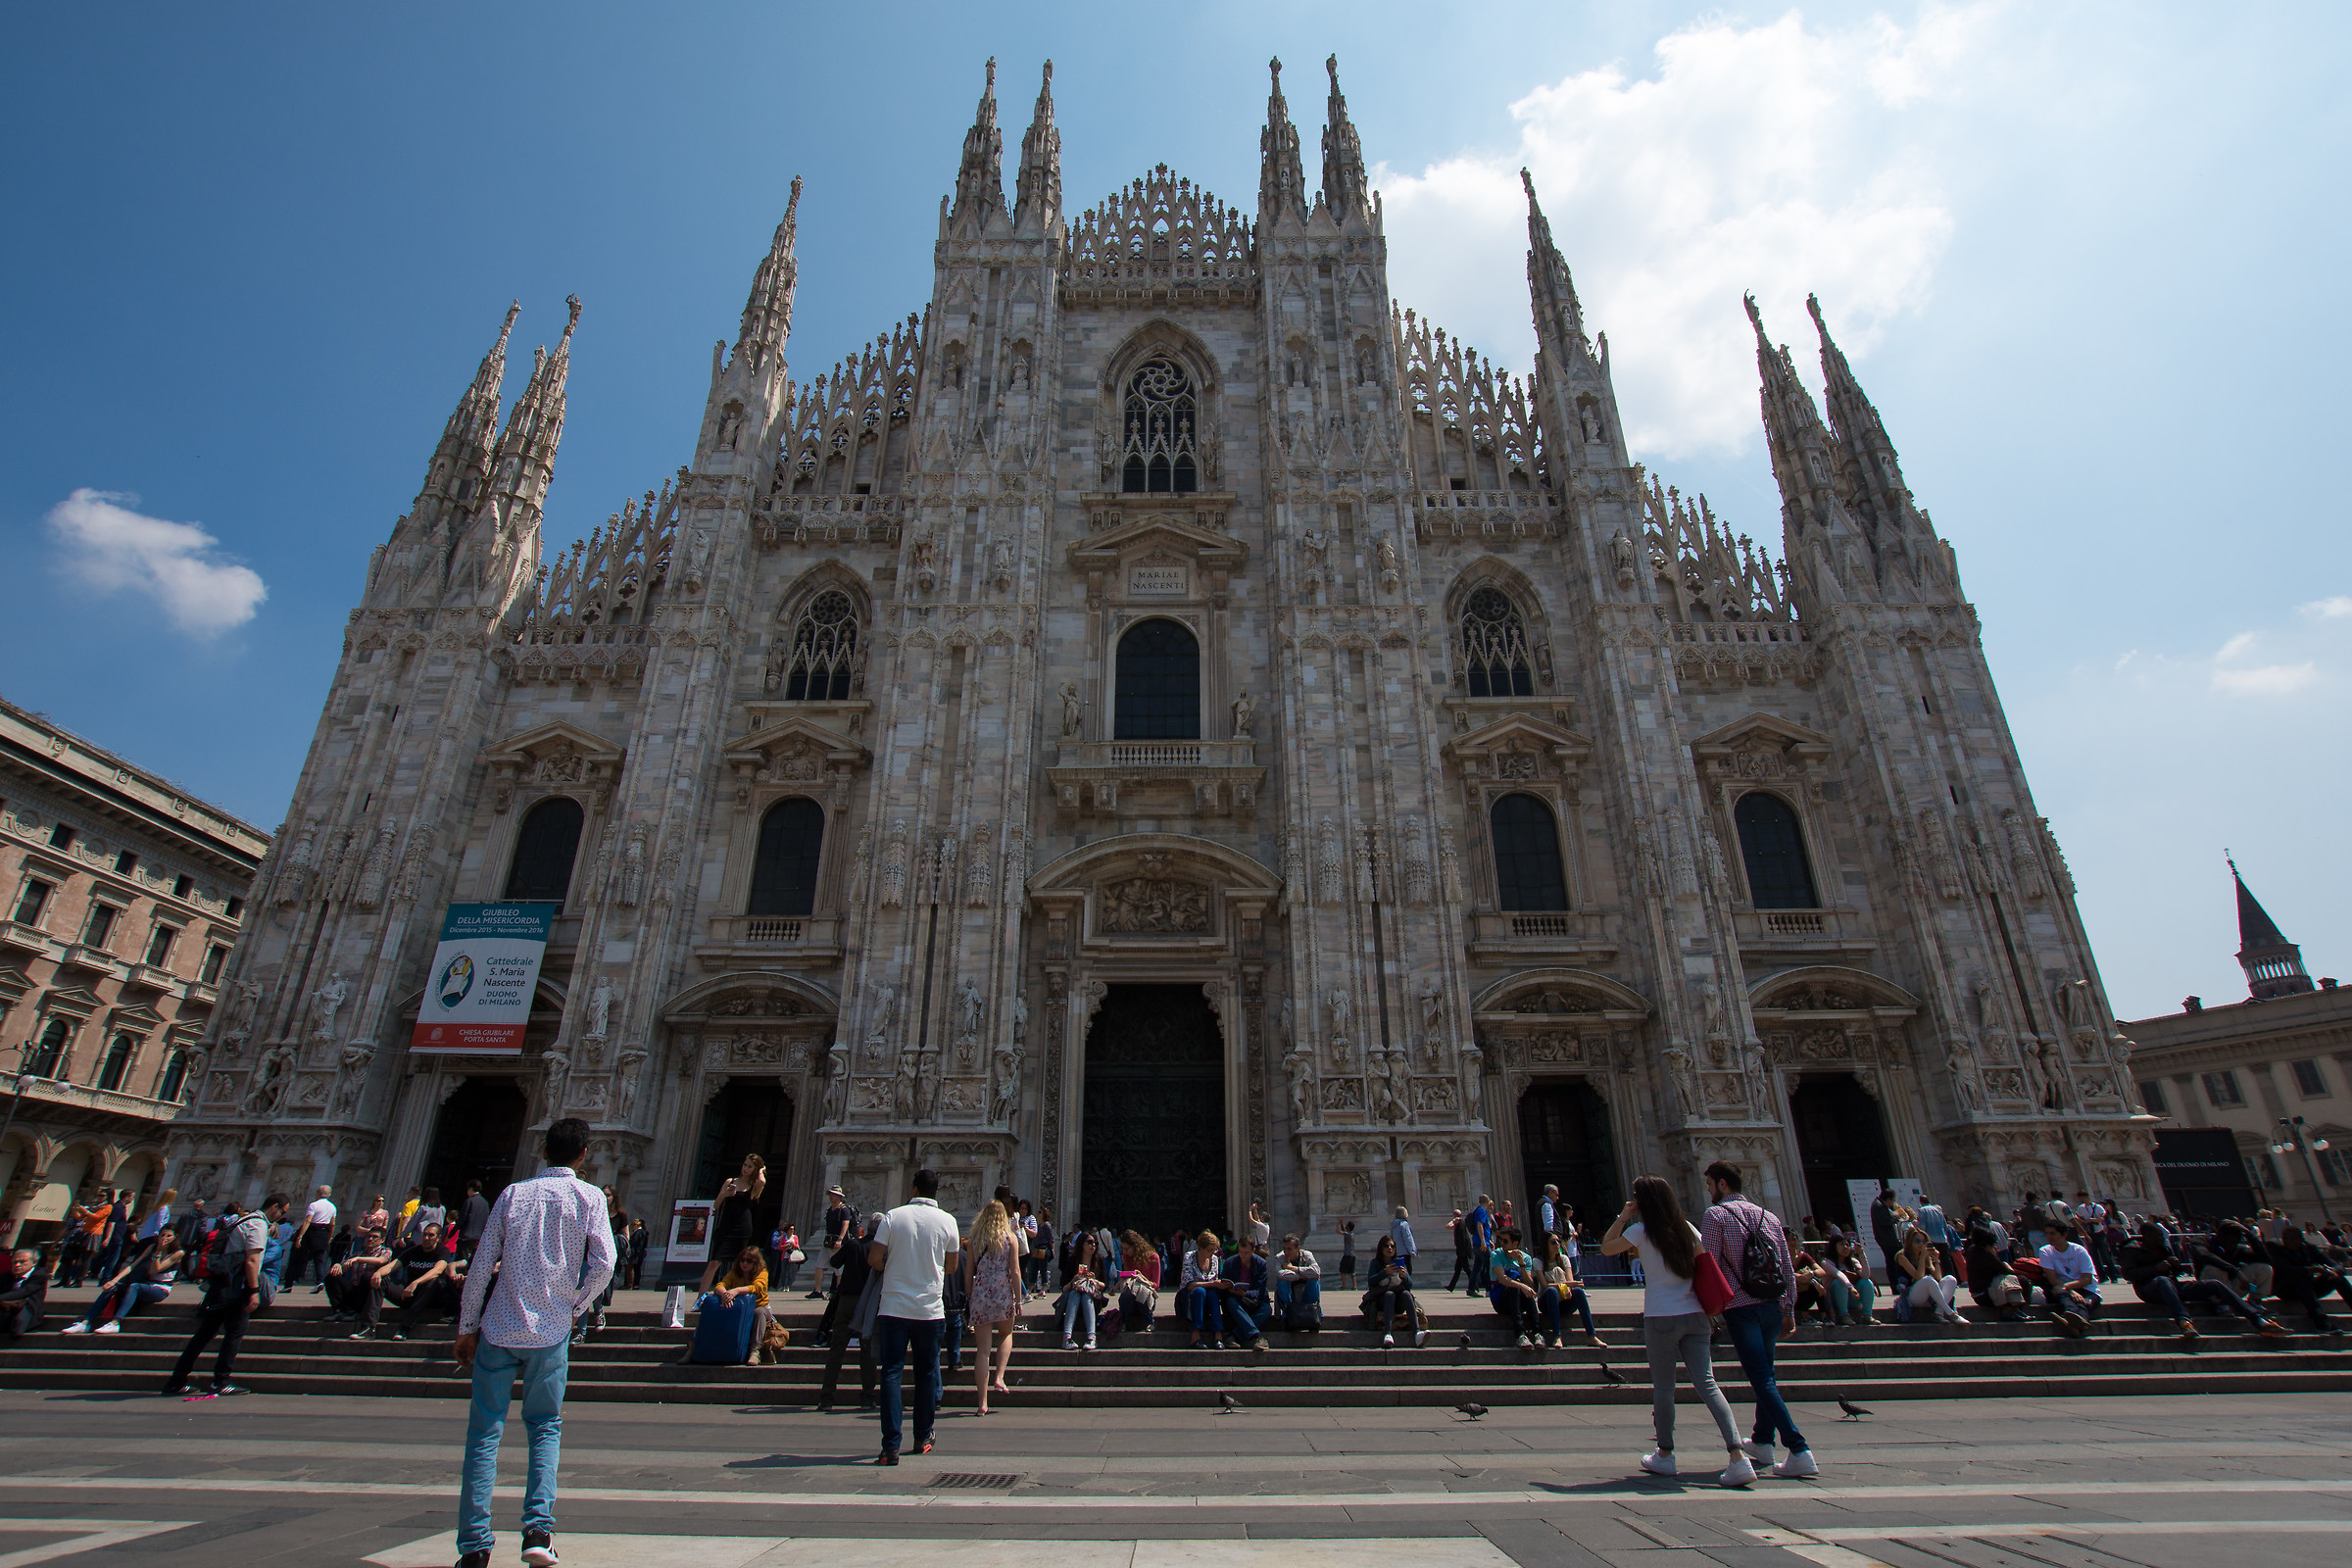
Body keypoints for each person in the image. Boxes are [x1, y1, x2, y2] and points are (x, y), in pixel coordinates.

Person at [450, 1117, 613, 1568]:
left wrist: (467, 1326)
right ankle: (538, 1532)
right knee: (544, 1427)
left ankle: (474, 1547)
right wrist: (576, 1306)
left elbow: (481, 1266)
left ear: (543, 1151)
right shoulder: (589, 1196)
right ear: (584, 1154)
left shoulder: (513, 1194)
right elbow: (605, 1264)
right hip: (551, 1333)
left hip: (499, 1328)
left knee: (484, 1434)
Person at [1603, 1175, 1752, 1486]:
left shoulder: (1640, 1231)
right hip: (1695, 1316)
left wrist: (1623, 1216)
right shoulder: (1687, 1229)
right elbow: (1703, 1267)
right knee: (1708, 1384)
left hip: (1661, 1317)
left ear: (1643, 1201)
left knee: (1664, 1388)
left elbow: (1606, 1248)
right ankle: (1738, 1455)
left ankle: (1665, 1454)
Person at [1698, 1160, 1814, 1478]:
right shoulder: (1769, 1216)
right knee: (1767, 1376)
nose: (1708, 1190)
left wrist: (1709, 1309)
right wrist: (1788, 1308)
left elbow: (1709, 1264)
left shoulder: (1716, 1215)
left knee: (1761, 1378)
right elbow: (1786, 1266)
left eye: (1710, 1184)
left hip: (1741, 1307)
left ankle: (1799, 1448)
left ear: (1722, 1184)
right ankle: (1762, 1441)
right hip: (1772, 1304)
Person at [864, 1167, 961, 1465]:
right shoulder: (948, 1221)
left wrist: (893, 1266)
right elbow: (952, 1267)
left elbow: (874, 1258)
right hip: (929, 1310)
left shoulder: (893, 1217)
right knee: (926, 1374)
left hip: (894, 1307)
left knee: (891, 1373)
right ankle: (922, 1437)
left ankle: (890, 1446)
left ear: (914, 1188)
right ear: (937, 1191)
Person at [163, 1192, 288, 1397]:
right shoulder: (258, 1224)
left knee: (204, 1334)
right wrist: (254, 1291)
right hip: (236, 1286)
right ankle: (221, 1380)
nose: (281, 1216)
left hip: (222, 1283)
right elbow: (251, 1260)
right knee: (235, 1332)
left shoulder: (245, 1219)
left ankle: (177, 1380)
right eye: (282, 1212)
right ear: (274, 1207)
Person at [2118, 1219, 2286, 1342]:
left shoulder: (2161, 1248)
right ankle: (2184, 1321)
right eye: (2158, 1237)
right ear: (2146, 1237)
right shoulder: (2131, 1249)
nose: (2162, 1239)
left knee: (2214, 1284)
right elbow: (2129, 1274)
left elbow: (2173, 1274)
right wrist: (2155, 1269)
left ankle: (2258, 1320)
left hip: (2171, 1288)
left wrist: (2175, 1267)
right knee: (2163, 1280)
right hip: (2148, 1289)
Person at [353, 1221, 457, 1341]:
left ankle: (404, 1327)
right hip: (409, 1294)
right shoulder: (414, 1250)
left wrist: (416, 1282)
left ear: (438, 1238)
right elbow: (392, 1266)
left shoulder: (442, 1251)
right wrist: (378, 1273)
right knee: (377, 1278)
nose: (426, 1238)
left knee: (434, 1282)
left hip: (431, 1297)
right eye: (424, 1234)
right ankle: (368, 1328)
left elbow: (438, 1270)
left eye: (431, 1235)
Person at [65, 1231, 185, 1334]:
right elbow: (133, 1265)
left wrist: (158, 1252)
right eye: (162, 1235)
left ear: (175, 1237)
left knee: (134, 1286)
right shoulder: (151, 1247)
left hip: (160, 1289)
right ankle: (85, 1323)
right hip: (146, 1284)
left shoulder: (178, 1253)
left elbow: (155, 1269)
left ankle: (115, 1323)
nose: (165, 1238)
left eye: (169, 1236)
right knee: (112, 1288)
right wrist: (113, 1281)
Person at [964, 1200, 1022, 1413]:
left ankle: (982, 1403)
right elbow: (1015, 1271)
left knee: (982, 1351)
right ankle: (999, 1376)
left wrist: (970, 1297)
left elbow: (968, 1272)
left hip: (981, 1294)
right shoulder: (1010, 1238)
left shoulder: (975, 1240)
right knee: (1006, 1334)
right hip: (1002, 1293)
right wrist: (1018, 1299)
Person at [702, 1154, 766, 1294]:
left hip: (742, 1227)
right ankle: (700, 1298)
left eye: (750, 1166)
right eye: (745, 1165)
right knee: (715, 1262)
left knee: (737, 1264)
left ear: (754, 1169)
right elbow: (716, 1205)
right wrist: (725, 1194)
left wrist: (761, 1170)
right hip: (726, 1225)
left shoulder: (753, 1186)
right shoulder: (730, 1181)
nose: (745, 1168)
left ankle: (731, 1295)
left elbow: (762, 1181)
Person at [2272, 1227, 2352, 1332]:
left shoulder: (2310, 1249)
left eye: (2292, 1239)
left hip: (2308, 1289)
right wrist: (2313, 1269)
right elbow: (2287, 1269)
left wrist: (2333, 1271)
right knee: (2300, 1278)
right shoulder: (2277, 1249)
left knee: (2338, 1279)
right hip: (2286, 1289)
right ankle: (2321, 1322)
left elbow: (2336, 1265)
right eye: (2285, 1239)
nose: (2288, 1242)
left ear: (2301, 1239)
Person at [704, 1244, 772, 1360]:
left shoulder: (762, 1272)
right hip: (739, 1310)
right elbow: (720, 1285)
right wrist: (725, 1294)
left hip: (760, 1309)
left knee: (759, 1312)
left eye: (749, 1261)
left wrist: (736, 1291)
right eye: (742, 1260)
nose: (744, 1263)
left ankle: (755, 1351)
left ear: (756, 1262)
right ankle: (694, 1346)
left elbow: (757, 1288)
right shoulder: (734, 1272)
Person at [1893, 1226, 1965, 1325]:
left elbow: (1938, 1278)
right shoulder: (1902, 1256)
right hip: (1912, 1295)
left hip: (1929, 1295)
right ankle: (1951, 1314)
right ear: (1910, 1241)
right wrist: (1922, 1258)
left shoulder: (1924, 1255)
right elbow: (1919, 1277)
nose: (1921, 1244)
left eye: (1923, 1242)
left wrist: (1936, 1260)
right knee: (1928, 1280)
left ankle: (1939, 1312)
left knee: (1950, 1279)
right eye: (1917, 1241)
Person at [1538, 1234, 1600, 1347]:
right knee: (1551, 1291)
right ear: (1545, 1245)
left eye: (1558, 1241)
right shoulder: (1538, 1261)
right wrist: (1569, 1284)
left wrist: (1570, 1286)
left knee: (1579, 1291)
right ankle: (1557, 1336)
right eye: (1553, 1242)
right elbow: (1545, 1286)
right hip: (1547, 1302)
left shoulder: (1564, 1259)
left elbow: (1570, 1282)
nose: (1557, 1244)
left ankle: (1591, 1335)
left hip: (1565, 1301)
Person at [1360, 1234, 1422, 1347]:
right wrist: (1384, 1272)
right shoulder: (1376, 1263)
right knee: (1389, 1294)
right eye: (1386, 1246)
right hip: (1382, 1300)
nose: (1390, 1248)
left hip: (1398, 1302)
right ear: (1381, 1248)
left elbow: (1410, 1284)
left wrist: (1404, 1276)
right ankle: (1387, 1334)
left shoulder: (1399, 1262)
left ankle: (1417, 1333)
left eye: (1392, 1246)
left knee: (1407, 1294)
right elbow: (1371, 1281)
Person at [2035, 1222, 2102, 1325]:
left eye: (2053, 1233)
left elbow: (2087, 1279)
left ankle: (2071, 1322)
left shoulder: (2079, 1251)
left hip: (2087, 1289)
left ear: (2064, 1235)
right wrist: (2070, 1291)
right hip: (2062, 1289)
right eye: (2047, 1233)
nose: (2049, 1237)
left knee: (2082, 1303)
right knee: (2064, 1296)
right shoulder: (2045, 1251)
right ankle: (2077, 1323)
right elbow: (2052, 1279)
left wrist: (2067, 1287)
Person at [1488, 1228, 1544, 1347]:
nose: (1501, 1243)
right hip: (1501, 1301)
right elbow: (1502, 1278)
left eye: (1505, 1241)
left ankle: (1538, 1333)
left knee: (1526, 1291)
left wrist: (1522, 1264)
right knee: (1515, 1286)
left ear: (1515, 1244)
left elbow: (1530, 1284)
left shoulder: (1526, 1258)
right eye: (1500, 1240)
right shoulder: (1496, 1255)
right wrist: (1521, 1286)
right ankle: (1520, 1334)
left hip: (1520, 1301)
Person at [1214, 1234, 1272, 1351]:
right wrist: (1229, 1288)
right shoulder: (1230, 1263)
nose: (1243, 1255)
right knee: (1230, 1302)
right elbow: (1223, 1285)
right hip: (1235, 1300)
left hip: (1252, 1300)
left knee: (1267, 1309)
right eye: (1240, 1252)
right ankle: (1256, 1336)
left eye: (1246, 1252)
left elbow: (1261, 1291)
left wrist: (1246, 1294)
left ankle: (1235, 1336)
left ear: (1253, 1251)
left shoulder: (1261, 1264)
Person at [324, 1228, 394, 1322]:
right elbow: (343, 1267)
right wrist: (338, 1266)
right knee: (332, 1276)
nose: (370, 1239)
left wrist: (358, 1259)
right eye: (369, 1236)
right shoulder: (358, 1254)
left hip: (369, 1292)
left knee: (367, 1276)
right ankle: (339, 1311)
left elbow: (380, 1260)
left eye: (375, 1237)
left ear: (382, 1240)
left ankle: (356, 1312)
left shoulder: (386, 1251)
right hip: (354, 1290)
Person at [1055, 1231, 1109, 1350]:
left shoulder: (1099, 1259)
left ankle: (1091, 1338)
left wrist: (1094, 1280)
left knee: (1086, 1295)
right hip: (1073, 1302)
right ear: (1081, 1244)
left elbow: (1104, 1286)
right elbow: (1064, 1288)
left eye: (1095, 1243)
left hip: (1092, 1301)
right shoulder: (1072, 1260)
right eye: (1089, 1242)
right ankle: (1067, 1337)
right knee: (1075, 1293)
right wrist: (1074, 1280)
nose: (1093, 1245)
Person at [1961, 1225, 2028, 1320]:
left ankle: (2015, 1310)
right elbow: (2007, 1271)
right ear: (1986, 1244)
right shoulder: (1985, 1255)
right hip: (1985, 1295)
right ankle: (2010, 1310)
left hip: (1979, 1294)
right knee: (2022, 1280)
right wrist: (1998, 1258)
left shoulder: (1972, 1250)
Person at [1178, 1232, 1225, 1349]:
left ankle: (1218, 1334)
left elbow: (1214, 1280)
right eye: (1209, 1250)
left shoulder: (1214, 1259)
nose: (1212, 1253)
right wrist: (1212, 1284)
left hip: (1207, 1298)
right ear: (1201, 1248)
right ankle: (1195, 1334)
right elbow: (1189, 1284)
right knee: (1200, 1291)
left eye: (1214, 1250)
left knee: (1213, 1294)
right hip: (1189, 1297)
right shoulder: (1189, 1257)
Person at [1115, 1227, 1161, 1333]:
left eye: (1127, 1249)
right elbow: (1126, 1277)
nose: (1125, 1252)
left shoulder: (1153, 1258)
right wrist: (1115, 1287)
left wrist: (1142, 1278)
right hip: (1130, 1300)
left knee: (1141, 1290)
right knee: (1129, 1290)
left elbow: (1156, 1285)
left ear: (1135, 1246)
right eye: (1123, 1249)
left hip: (1146, 1301)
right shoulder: (1127, 1257)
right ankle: (1124, 1322)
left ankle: (1150, 1322)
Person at [289, 1186, 336, 1288]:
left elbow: (308, 1220)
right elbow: (332, 1224)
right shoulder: (332, 1207)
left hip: (312, 1230)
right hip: (324, 1232)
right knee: (319, 1259)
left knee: (298, 1257)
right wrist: (329, 1237)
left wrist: (300, 1236)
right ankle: (320, 1281)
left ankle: (290, 1281)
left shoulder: (314, 1205)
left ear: (319, 1193)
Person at [1824, 1235, 1877, 1325]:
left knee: (1866, 1282)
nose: (1845, 1247)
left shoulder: (1853, 1261)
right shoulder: (1826, 1263)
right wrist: (1850, 1287)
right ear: (1834, 1247)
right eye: (1842, 1244)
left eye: (1847, 1245)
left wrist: (1862, 1255)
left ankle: (1867, 1315)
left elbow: (1865, 1275)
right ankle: (1843, 1315)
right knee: (1839, 1282)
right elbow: (1839, 1274)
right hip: (1834, 1300)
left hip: (1852, 1298)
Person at [1, 1248, 50, 1341]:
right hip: (6, 1307)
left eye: (22, 1262)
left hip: (27, 1309)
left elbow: (23, 1292)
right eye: (14, 1262)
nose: (17, 1265)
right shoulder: (7, 1275)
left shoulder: (39, 1275)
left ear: (34, 1262)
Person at [1274, 1233, 1322, 1328]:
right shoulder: (1280, 1257)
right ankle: (1288, 1313)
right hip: (1289, 1292)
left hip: (1305, 1292)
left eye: (1289, 1249)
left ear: (1298, 1249)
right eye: (1284, 1248)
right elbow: (1280, 1274)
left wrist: (1294, 1268)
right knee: (1282, 1282)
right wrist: (1301, 1276)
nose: (1286, 1252)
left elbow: (1316, 1272)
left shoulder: (1307, 1255)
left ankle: (1311, 1311)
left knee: (1314, 1281)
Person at [815, 1185, 855, 1298]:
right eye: (830, 1195)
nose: (831, 1197)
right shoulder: (830, 1210)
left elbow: (845, 1225)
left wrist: (840, 1239)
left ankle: (839, 1291)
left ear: (838, 1197)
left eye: (833, 1195)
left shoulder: (844, 1210)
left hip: (838, 1243)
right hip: (828, 1242)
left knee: (839, 1269)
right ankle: (818, 1290)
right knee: (819, 1265)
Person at [1464, 1196, 1495, 1296]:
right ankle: (1489, 1289)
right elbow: (1480, 1225)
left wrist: (1488, 1240)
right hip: (1482, 1243)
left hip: (1479, 1242)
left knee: (1477, 1266)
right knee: (1488, 1265)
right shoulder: (1482, 1211)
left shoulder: (1478, 1210)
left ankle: (1472, 1288)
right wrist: (1483, 1241)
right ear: (1488, 1202)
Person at [457, 1180, 491, 1260]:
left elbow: (462, 1219)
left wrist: (450, 1234)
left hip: (466, 1237)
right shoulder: (485, 1203)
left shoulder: (469, 1201)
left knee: (461, 1259)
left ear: (470, 1189)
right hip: (478, 1237)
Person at [1389, 1204, 1417, 1283]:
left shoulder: (1393, 1225)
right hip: (1405, 1252)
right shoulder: (1404, 1224)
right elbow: (1408, 1238)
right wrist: (1412, 1251)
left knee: (1397, 1271)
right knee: (1407, 1271)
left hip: (1396, 1252)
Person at [1337, 1219, 1357, 1289]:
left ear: (1348, 1227)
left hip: (1347, 1255)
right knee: (1352, 1271)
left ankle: (1344, 1285)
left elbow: (1338, 1231)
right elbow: (1344, 1230)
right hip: (1353, 1255)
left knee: (1342, 1270)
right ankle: (1354, 1286)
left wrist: (1338, 1223)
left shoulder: (1347, 1234)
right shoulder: (1352, 1234)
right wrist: (1341, 1224)